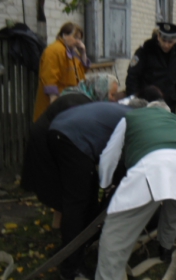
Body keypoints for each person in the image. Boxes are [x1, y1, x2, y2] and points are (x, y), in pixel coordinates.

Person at [77, 102, 176, 280]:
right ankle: (165, 248)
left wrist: (105, 185)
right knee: (175, 207)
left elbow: (109, 154)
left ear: (146, 109)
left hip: (155, 165)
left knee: (115, 232)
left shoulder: (131, 118)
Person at [48, 101, 133, 280]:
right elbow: (114, 158)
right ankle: (71, 267)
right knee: (78, 203)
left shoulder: (123, 110)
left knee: (87, 197)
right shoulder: (133, 120)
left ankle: (75, 248)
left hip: (59, 129)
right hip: (73, 140)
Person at [21, 73, 119, 213]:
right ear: (100, 90)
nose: (113, 100)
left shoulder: (78, 97)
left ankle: (60, 223)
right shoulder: (78, 102)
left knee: (65, 188)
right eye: (112, 95)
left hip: (50, 141)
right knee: (66, 188)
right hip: (46, 145)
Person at [33, 22, 91, 121]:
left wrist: (83, 53)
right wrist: (55, 106)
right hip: (56, 105)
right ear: (64, 35)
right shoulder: (54, 51)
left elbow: (82, 71)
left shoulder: (73, 52)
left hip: (70, 103)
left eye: (80, 39)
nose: (78, 42)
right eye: (75, 37)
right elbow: (49, 79)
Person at [125, 22, 176, 113]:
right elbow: (133, 76)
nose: (166, 45)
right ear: (158, 37)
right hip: (148, 102)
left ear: (175, 40)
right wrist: (134, 100)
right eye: (163, 40)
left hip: (169, 103)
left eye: (170, 42)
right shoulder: (146, 50)